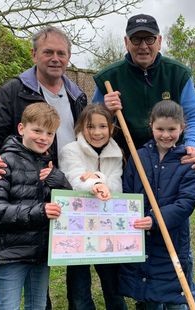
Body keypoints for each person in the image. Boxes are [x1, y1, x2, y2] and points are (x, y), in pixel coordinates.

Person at [0, 102, 71, 309]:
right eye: (37, 130)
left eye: (50, 133)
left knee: (37, 306)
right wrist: (39, 211)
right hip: (10, 254)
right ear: (21, 129)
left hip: (40, 253)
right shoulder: (2, 162)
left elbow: (69, 205)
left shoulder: (49, 165)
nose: (43, 138)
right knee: (8, 306)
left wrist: (60, 181)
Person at [0, 26, 87, 183]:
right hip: (29, 186)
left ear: (68, 57)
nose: (55, 58)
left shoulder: (78, 96)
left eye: (61, 53)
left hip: (70, 184)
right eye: (48, 52)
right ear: (34, 55)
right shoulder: (14, 90)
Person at [92, 13, 195, 170]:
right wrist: (105, 112)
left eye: (149, 39)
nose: (143, 46)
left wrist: (192, 147)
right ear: (126, 42)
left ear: (159, 41)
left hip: (171, 161)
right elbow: (91, 125)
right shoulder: (108, 79)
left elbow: (193, 118)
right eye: (136, 39)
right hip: (124, 164)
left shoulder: (178, 74)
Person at [121, 100, 195, 309]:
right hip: (143, 239)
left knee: (175, 294)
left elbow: (187, 202)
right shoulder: (139, 157)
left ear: (182, 128)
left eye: (172, 129)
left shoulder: (186, 161)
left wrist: (155, 219)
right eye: (160, 129)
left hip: (171, 239)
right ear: (151, 126)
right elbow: (127, 193)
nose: (166, 135)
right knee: (148, 296)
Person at [58, 104, 127, 309]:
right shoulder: (70, 150)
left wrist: (99, 177)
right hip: (77, 226)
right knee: (79, 286)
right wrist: (96, 185)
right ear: (81, 128)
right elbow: (74, 179)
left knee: (112, 283)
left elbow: (117, 187)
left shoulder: (116, 152)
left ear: (111, 129)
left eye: (102, 126)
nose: (97, 132)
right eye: (90, 126)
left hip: (106, 225)